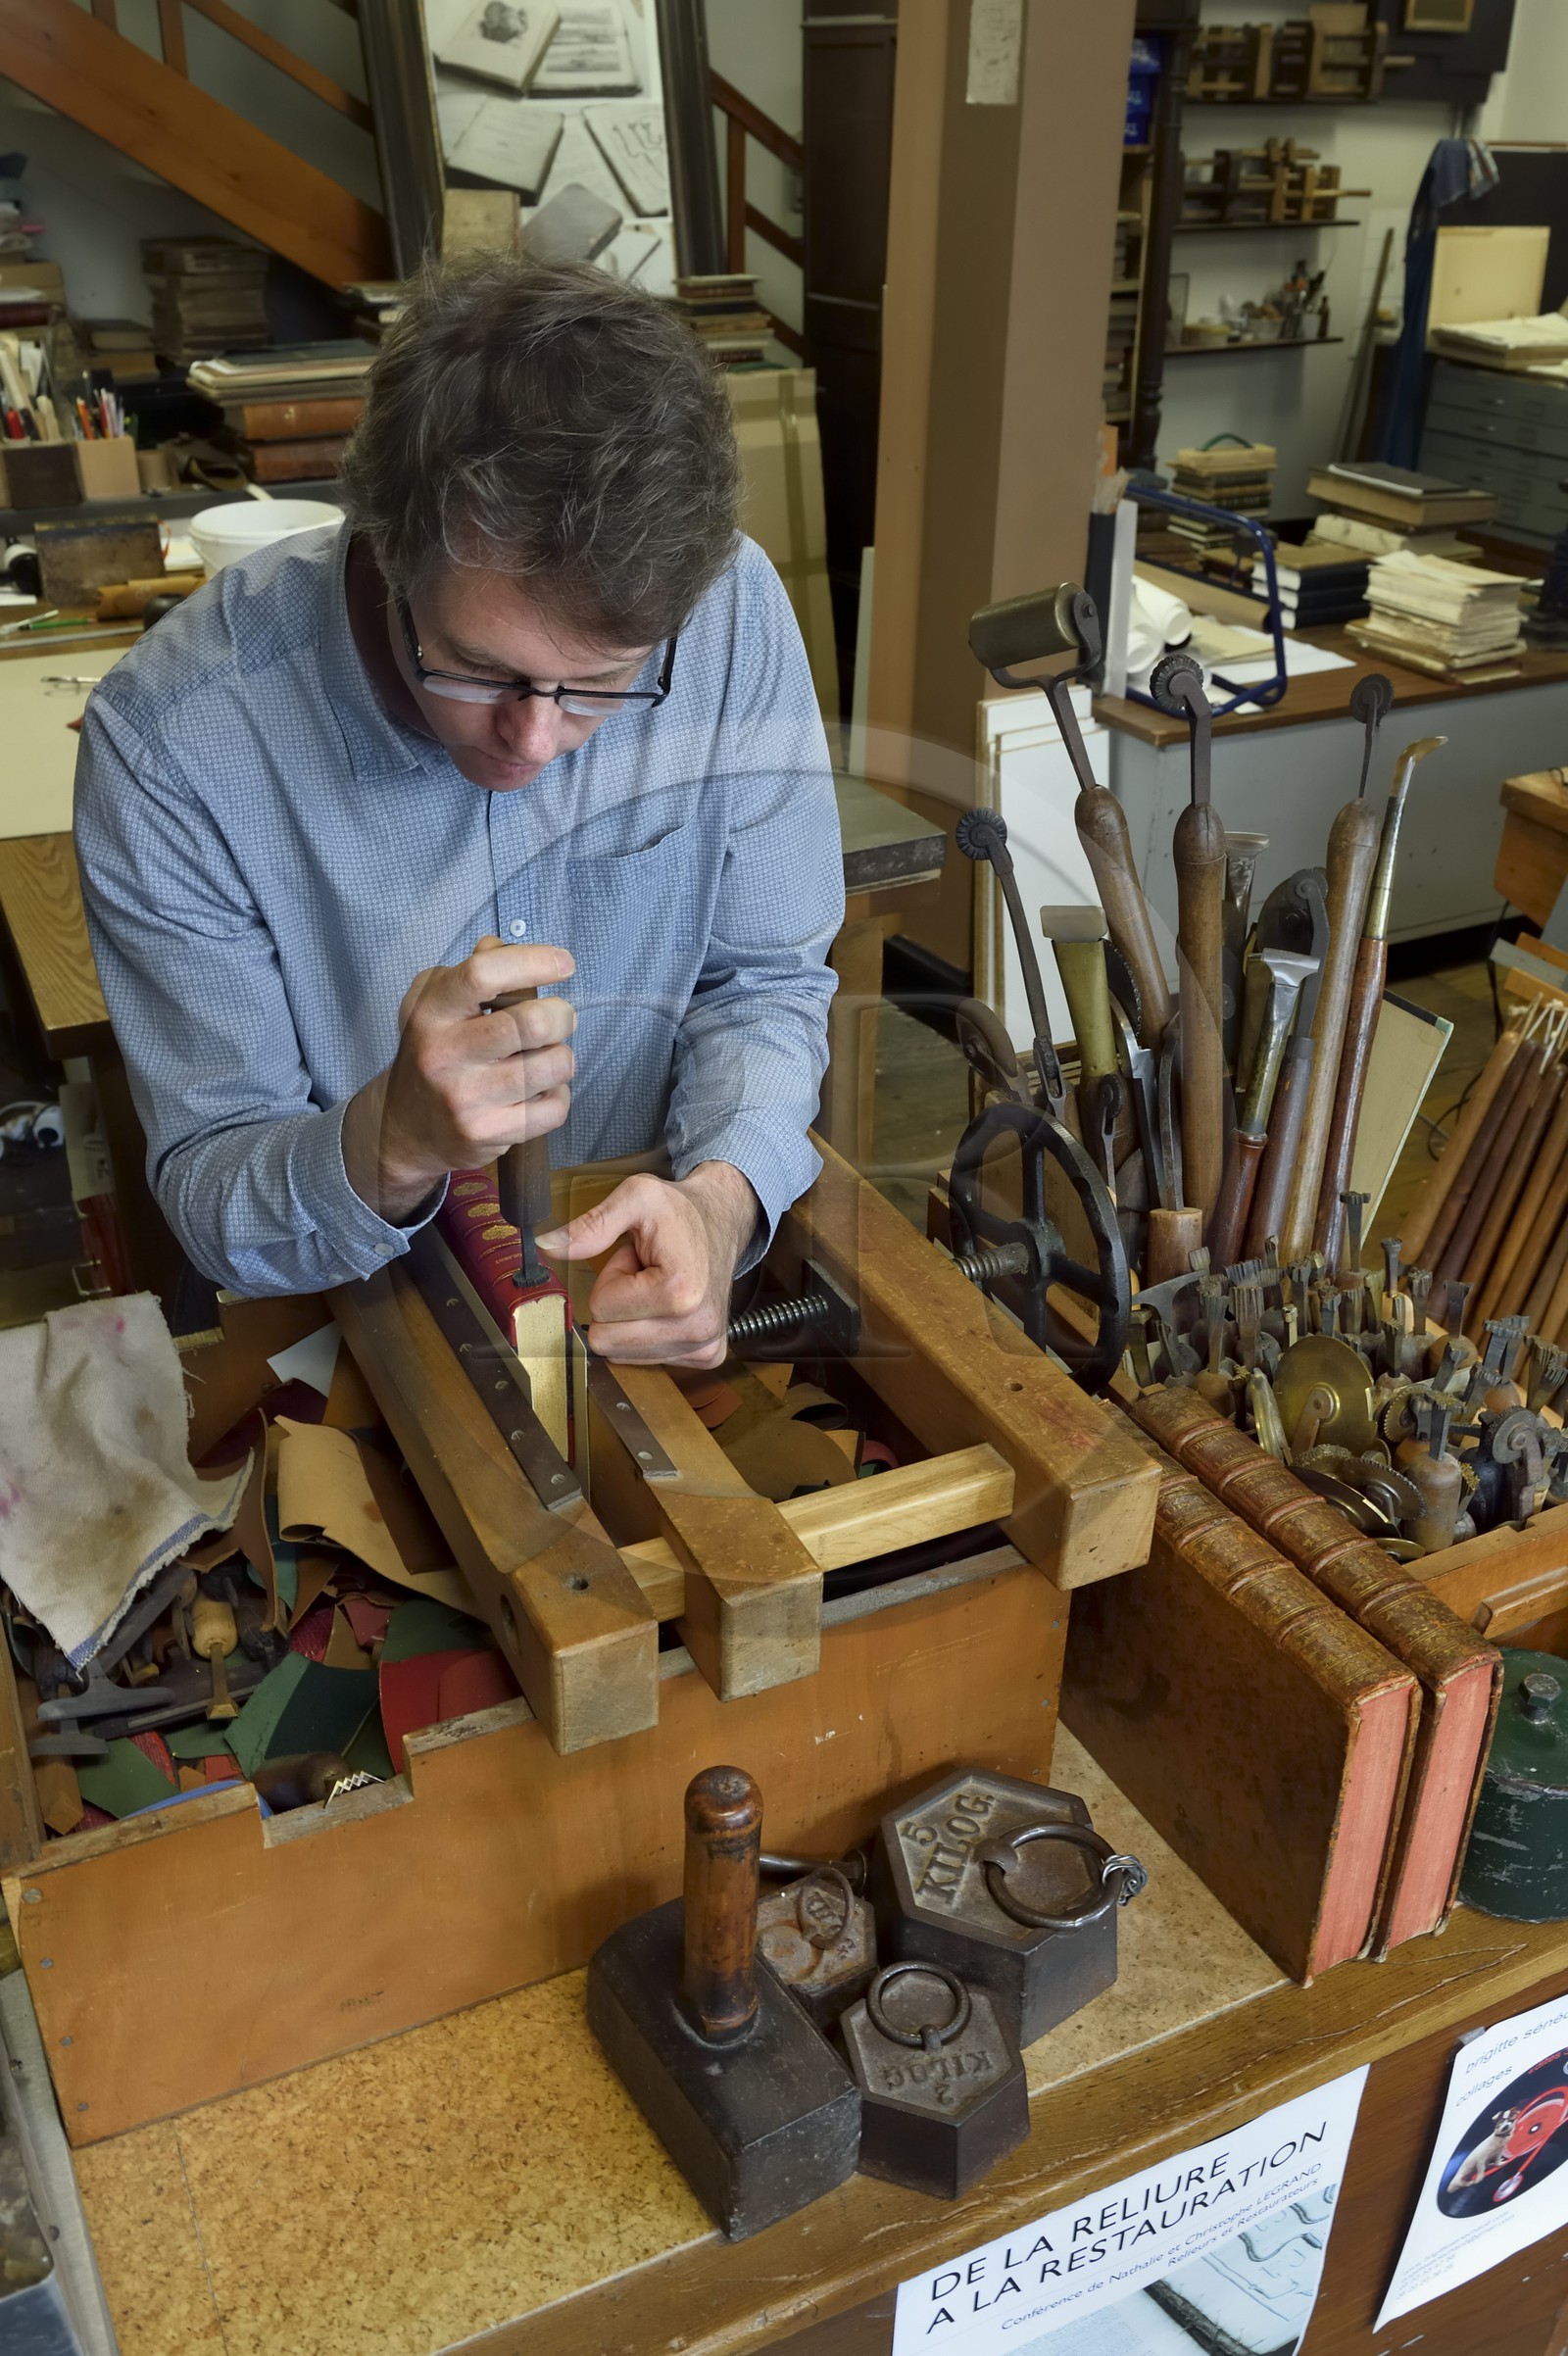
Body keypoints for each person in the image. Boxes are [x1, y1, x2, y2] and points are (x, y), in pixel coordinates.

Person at [74, 258, 842, 1368]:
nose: (533, 739)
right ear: (384, 544)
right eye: (481, 671)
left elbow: (766, 981)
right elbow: (212, 1190)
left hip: (637, 1289)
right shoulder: (175, 747)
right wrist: (388, 1144)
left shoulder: (728, 617)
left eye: (599, 686)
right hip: (349, 1316)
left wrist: (722, 1197)